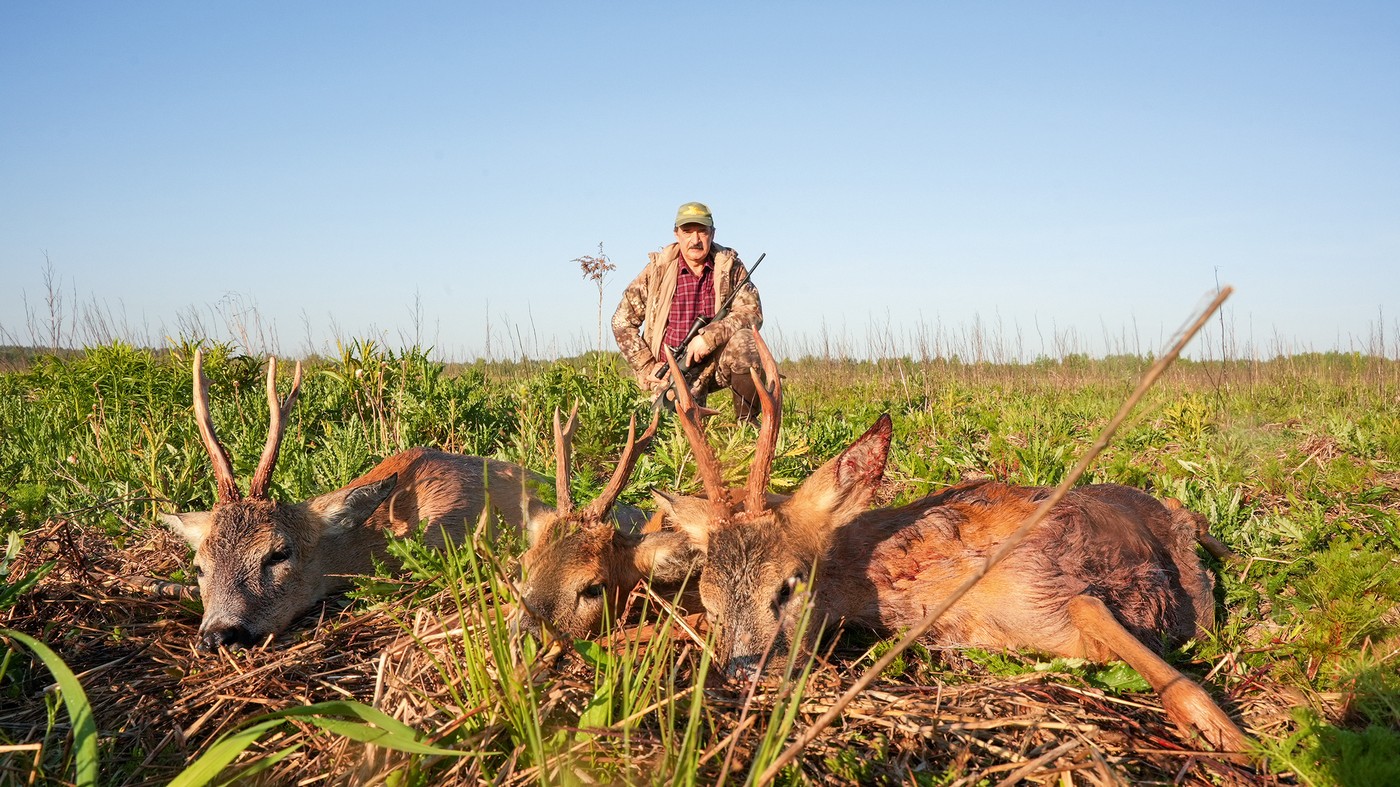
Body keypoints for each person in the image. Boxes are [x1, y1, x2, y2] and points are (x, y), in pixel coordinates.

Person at [612, 201, 765, 421]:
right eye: (687, 231)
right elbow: (622, 321)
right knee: (666, 439)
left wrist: (709, 337)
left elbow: (752, 313)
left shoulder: (731, 267)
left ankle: (748, 428)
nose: (695, 240)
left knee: (746, 340)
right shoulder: (657, 271)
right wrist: (647, 366)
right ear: (676, 234)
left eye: (702, 231)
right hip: (671, 371)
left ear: (712, 233)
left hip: (715, 365)